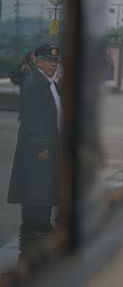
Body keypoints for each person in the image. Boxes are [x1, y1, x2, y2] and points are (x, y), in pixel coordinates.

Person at [7, 44, 62, 254]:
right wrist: (42, 145)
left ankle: (43, 223)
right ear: (38, 62)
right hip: (36, 146)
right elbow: (32, 119)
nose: (52, 65)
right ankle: (32, 227)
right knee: (34, 186)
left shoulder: (50, 83)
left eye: (55, 61)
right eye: (48, 61)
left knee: (45, 184)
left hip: (51, 142)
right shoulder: (33, 83)